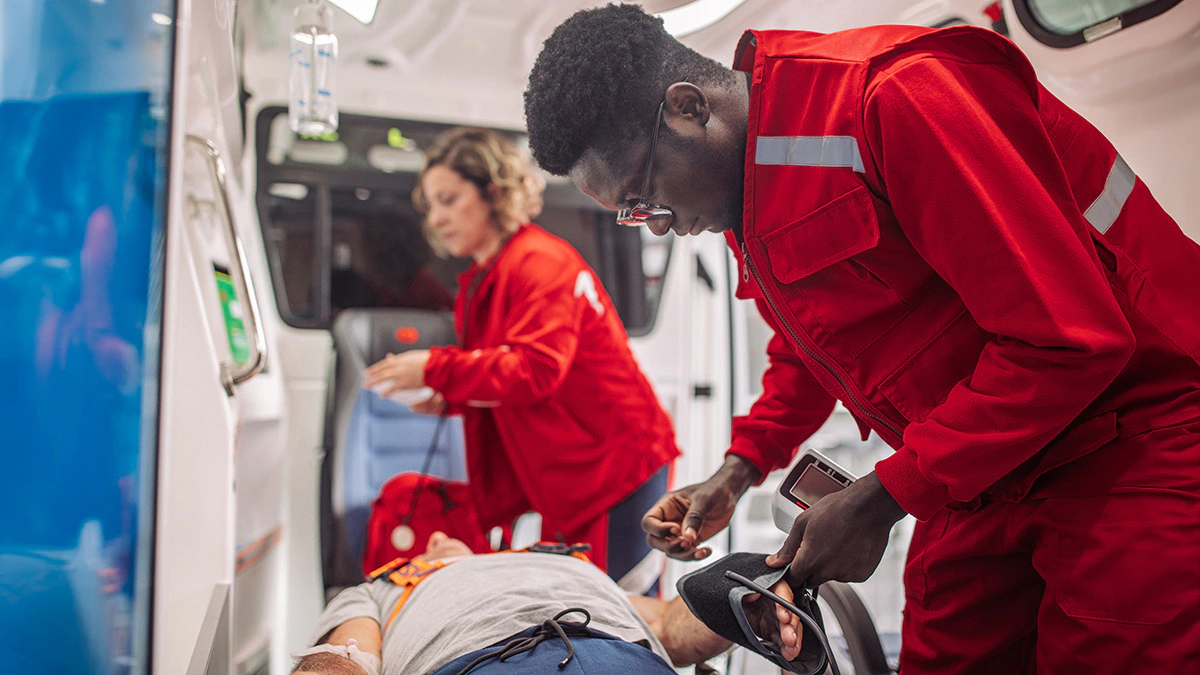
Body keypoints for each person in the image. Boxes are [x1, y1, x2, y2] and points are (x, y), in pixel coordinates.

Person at [522, 5, 1200, 673]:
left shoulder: (896, 97)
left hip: (1137, 434)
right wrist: (740, 469)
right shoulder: (742, 196)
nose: (657, 225)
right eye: (632, 215)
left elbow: (1067, 341)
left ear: (688, 107)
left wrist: (885, 496)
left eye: (643, 197)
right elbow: (810, 348)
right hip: (986, 463)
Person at [362, 128, 679, 589]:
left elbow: (536, 370)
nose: (437, 218)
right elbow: (503, 371)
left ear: (493, 193)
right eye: (430, 206)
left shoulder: (539, 263)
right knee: (575, 605)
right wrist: (452, 396)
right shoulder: (484, 280)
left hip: (616, 470)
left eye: (448, 200)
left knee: (621, 610)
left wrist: (434, 368)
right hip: (570, 476)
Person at [290, 531, 799, 675]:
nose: (440, 536)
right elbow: (345, 659)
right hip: (485, 661)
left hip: (626, 659)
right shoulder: (384, 588)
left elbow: (669, 626)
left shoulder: (563, 563)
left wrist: (741, 600)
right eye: (430, 541)